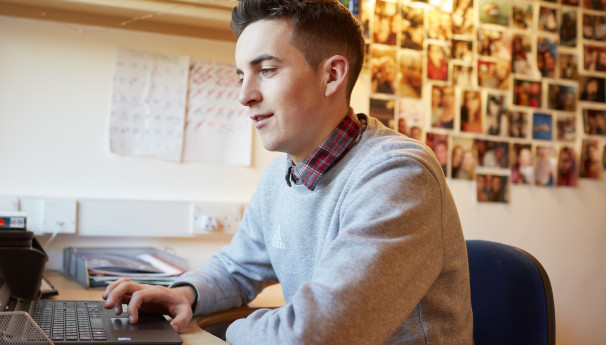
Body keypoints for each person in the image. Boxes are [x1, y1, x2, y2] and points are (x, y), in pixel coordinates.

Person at [102, 1, 474, 344]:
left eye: (265, 70)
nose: (244, 95)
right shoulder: (283, 175)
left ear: (332, 75)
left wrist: (229, 330)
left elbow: (316, 334)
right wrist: (184, 293)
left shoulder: (398, 175)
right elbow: (237, 268)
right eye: (240, 76)